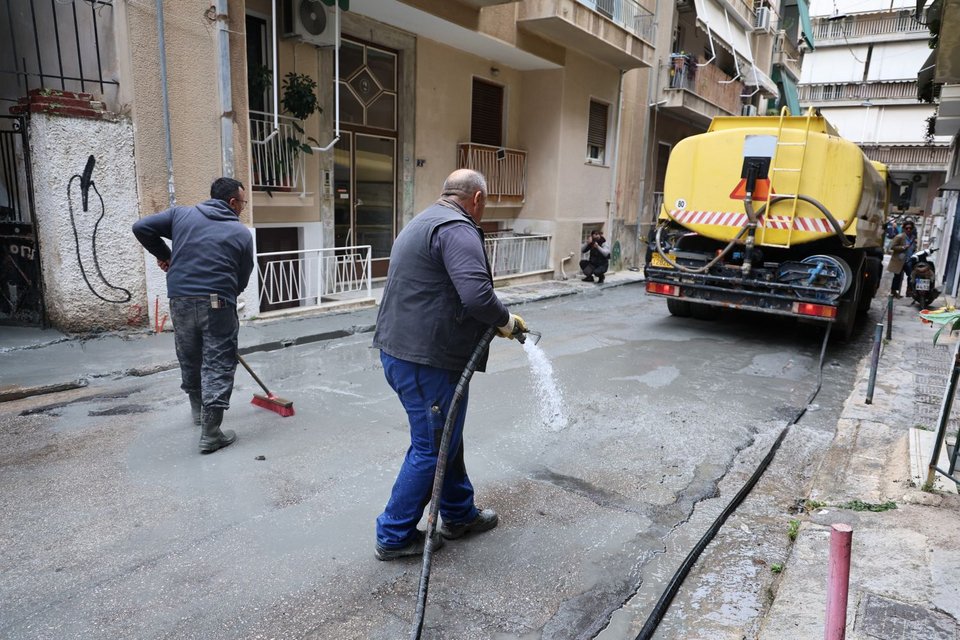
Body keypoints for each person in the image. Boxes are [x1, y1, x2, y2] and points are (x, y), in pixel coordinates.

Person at [372, 168, 526, 561]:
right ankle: (393, 535)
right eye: (484, 203)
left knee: (446, 437)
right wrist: (505, 321)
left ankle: (458, 514)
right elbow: (477, 295)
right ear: (477, 199)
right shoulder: (457, 228)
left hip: (406, 350)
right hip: (427, 359)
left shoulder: (425, 220)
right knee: (432, 447)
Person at [132, 177, 254, 454]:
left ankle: (198, 413)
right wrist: (228, 293)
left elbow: (141, 227)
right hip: (218, 301)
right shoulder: (241, 233)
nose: (242, 208)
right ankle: (210, 434)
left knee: (189, 354)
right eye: (243, 203)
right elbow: (244, 274)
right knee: (218, 361)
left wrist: (167, 256)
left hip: (181, 299)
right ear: (232, 202)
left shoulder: (181, 216)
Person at [888, 218, 917, 298]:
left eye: (910, 228)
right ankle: (894, 292)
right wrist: (903, 247)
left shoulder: (913, 238)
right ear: (904, 228)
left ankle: (909, 291)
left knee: (911, 275)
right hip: (899, 260)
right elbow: (892, 247)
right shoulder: (899, 237)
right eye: (907, 228)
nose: (908, 230)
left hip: (908, 260)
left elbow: (913, 247)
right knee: (897, 276)